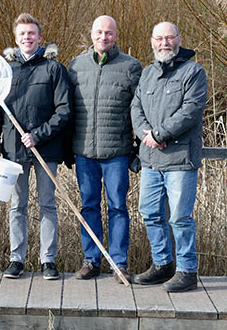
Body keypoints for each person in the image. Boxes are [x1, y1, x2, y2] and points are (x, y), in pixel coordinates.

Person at [0, 13, 74, 281]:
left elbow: (64, 110)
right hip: (13, 150)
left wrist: (39, 135)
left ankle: (48, 260)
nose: (27, 38)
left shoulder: (54, 69)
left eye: (31, 33)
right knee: (17, 205)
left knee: (47, 204)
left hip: (45, 150)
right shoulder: (5, 72)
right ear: (16, 38)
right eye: (22, 34)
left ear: (40, 37)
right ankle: (16, 259)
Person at [131, 21, 207, 292]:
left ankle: (187, 271)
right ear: (152, 42)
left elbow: (190, 110)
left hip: (180, 160)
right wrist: (146, 134)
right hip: (151, 160)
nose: (164, 43)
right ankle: (162, 265)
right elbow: (136, 106)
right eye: (159, 38)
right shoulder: (148, 73)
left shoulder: (193, 72)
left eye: (169, 38)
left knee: (180, 218)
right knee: (150, 213)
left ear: (179, 39)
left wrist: (160, 134)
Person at [67, 15, 142, 283]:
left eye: (109, 33)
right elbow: (69, 110)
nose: (103, 37)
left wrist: (138, 148)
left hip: (117, 153)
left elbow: (139, 110)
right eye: (99, 32)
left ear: (116, 36)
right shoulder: (76, 66)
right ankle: (91, 260)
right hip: (84, 151)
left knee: (118, 207)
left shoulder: (131, 67)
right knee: (88, 206)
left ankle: (118, 263)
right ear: (91, 34)